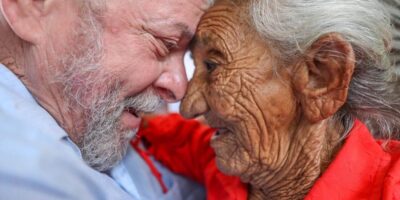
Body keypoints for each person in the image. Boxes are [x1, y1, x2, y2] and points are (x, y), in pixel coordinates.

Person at [136, 0, 400, 199]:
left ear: (321, 76)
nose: (188, 106)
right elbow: (176, 136)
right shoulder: (229, 160)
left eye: (213, 66)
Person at [0, 0, 214, 199]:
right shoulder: (21, 170)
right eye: (164, 43)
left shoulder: (95, 120)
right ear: (30, 7)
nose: (180, 88)